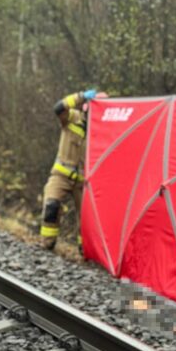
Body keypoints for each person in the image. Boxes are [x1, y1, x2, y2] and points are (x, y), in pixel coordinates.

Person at [40, 89, 105, 250]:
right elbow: (58, 108)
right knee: (52, 206)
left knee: (87, 221)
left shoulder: (102, 131)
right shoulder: (72, 117)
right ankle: (48, 243)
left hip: (83, 183)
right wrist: (81, 96)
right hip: (60, 176)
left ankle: (85, 251)